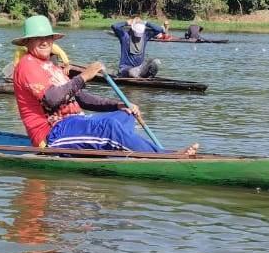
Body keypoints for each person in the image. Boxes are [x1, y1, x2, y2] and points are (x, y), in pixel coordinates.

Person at [11, 15, 197, 154]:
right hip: (52, 134)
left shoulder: (51, 66)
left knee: (124, 117)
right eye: (38, 38)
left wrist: (118, 104)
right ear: (28, 42)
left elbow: (81, 98)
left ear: (53, 40)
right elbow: (51, 100)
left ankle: (146, 152)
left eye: (48, 38)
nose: (45, 42)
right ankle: (163, 157)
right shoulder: (27, 64)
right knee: (110, 128)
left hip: (75, 122)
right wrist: (84, 76)